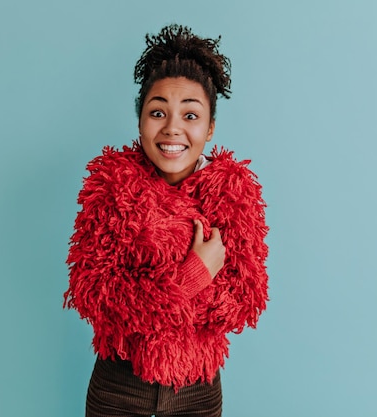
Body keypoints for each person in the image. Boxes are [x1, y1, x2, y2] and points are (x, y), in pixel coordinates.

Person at [64, 24, 269, 417]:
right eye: (158, 111)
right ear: (140, 121)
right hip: (119, 384)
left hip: (198, 388)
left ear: (209, 128)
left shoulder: (233, 193)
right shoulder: (110, 188)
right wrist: (194, 275)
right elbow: (96, 294)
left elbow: (244, 301)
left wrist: (149, 295)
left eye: (190, 114)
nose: (172, 127)